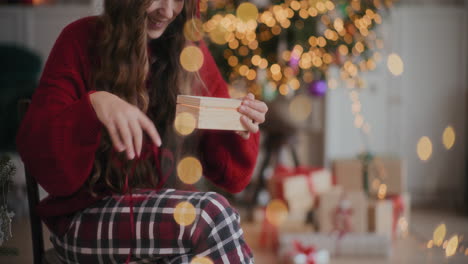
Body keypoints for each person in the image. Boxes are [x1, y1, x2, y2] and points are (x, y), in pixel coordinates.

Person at [16, 0, 268, 263]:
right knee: (211, 215)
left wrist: (241, 126)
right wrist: (94, 106)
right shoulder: (80, 39)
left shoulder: (188, 52)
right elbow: (42, 160)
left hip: (163, 224)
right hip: (85, 220)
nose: (167, 11)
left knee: (202, 248)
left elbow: (233, 178)